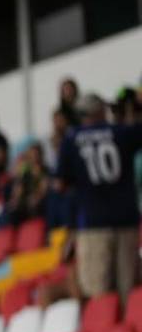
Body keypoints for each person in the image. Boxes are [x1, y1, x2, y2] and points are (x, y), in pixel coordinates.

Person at [57, 93, 142, 304]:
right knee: (129, 291)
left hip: (93, 223)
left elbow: (61, 184)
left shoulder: (71, 139)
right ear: (100, 111)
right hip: (126, 219)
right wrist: (130, 114)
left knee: (99, 294)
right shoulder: (121, 132)